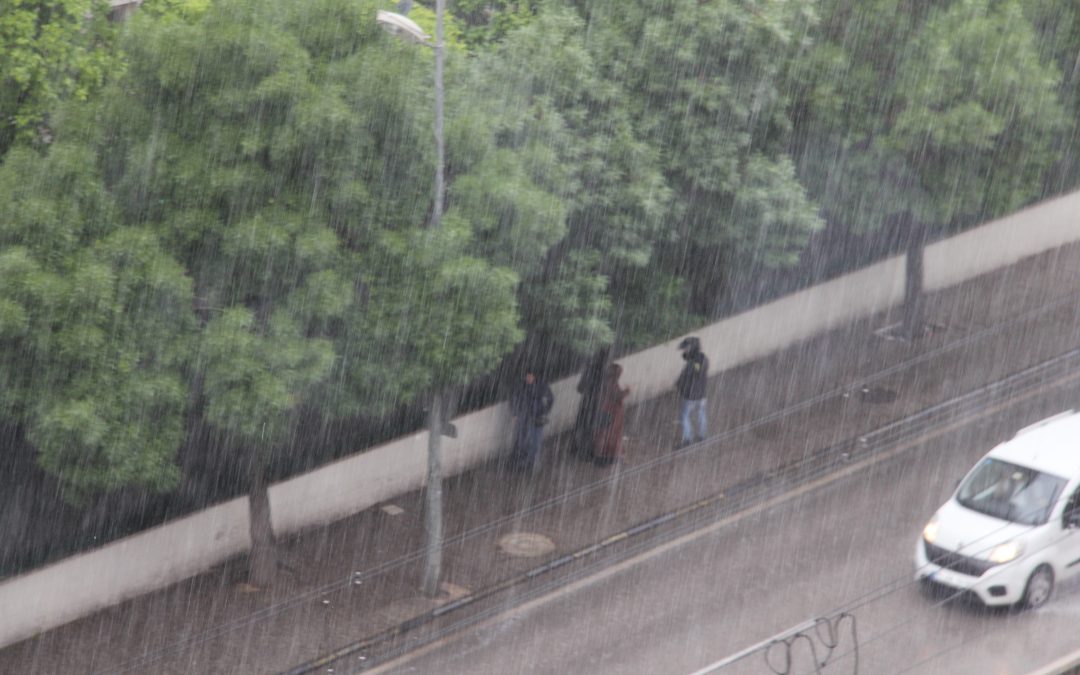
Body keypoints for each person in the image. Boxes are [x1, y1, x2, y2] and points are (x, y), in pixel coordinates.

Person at [510, 368, 555, 473]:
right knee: (522, 439)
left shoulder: (541, 386)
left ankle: (531, 464)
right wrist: (515, 413)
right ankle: (523, 462)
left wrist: (544, 411)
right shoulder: (522, 386)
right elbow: (514, 398)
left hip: (536, 416)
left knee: (535, 441)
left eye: (530, 376)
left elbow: (550, 399)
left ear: (534, 376)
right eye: (527, 377)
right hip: (525, 415)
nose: (528, 379)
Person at [573, 346, 611, 455]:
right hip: (594, 404)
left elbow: (580, 388)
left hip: (587, 403)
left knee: (583, 425)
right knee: (590, 426)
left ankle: (579, 448)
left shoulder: (590, 370)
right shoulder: (603, 372)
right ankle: (585, 450)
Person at [592, 363, 629, 467]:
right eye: (619, 373)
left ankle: (600, 456)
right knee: (608, 434)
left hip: (605, 411)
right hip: (610, 413)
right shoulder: (611, 383)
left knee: (603, 434)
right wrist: (627, 391)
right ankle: (604, 456)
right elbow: (617, 396)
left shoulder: (606, 382)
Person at [675, 336, 708, 448]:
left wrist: (680, 384)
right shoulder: (702, 358)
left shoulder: (695, 362)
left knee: (684, 416)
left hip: (690, 395)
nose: (684, 351)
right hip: (701, 394)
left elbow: (693, 373)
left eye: (686, 349)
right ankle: (702, 436)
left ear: (692, 348)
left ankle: (688, 439)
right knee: (701, 414)